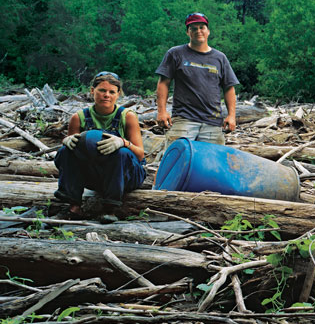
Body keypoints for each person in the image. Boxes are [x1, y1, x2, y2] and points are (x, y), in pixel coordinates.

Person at [54, 72, 146, 223]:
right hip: (97, 175)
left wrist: (124, 142)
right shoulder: (79, 117)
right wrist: (67, 140)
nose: (106, 95)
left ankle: (110, 208)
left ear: (118, 94)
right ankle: (73, 206)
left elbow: (140, 155)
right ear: (92, 91)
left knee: (121, 153)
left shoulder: (127, 116)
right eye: (102, 90)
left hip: (127, 175)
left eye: (112, 92)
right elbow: (69, 158)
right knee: (66, 151)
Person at [155, 12, 240, 145]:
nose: (198, 31)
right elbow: (163, 83)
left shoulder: (220, 58)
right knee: (177, 159)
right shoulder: (175, 54)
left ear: (208, 31)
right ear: (188, 32)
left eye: (201, 27)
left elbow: (229, 87)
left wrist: (231, 115)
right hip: (184, 120)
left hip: (213, 122)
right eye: (193, 28)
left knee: (212, 163)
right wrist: (162, 111)